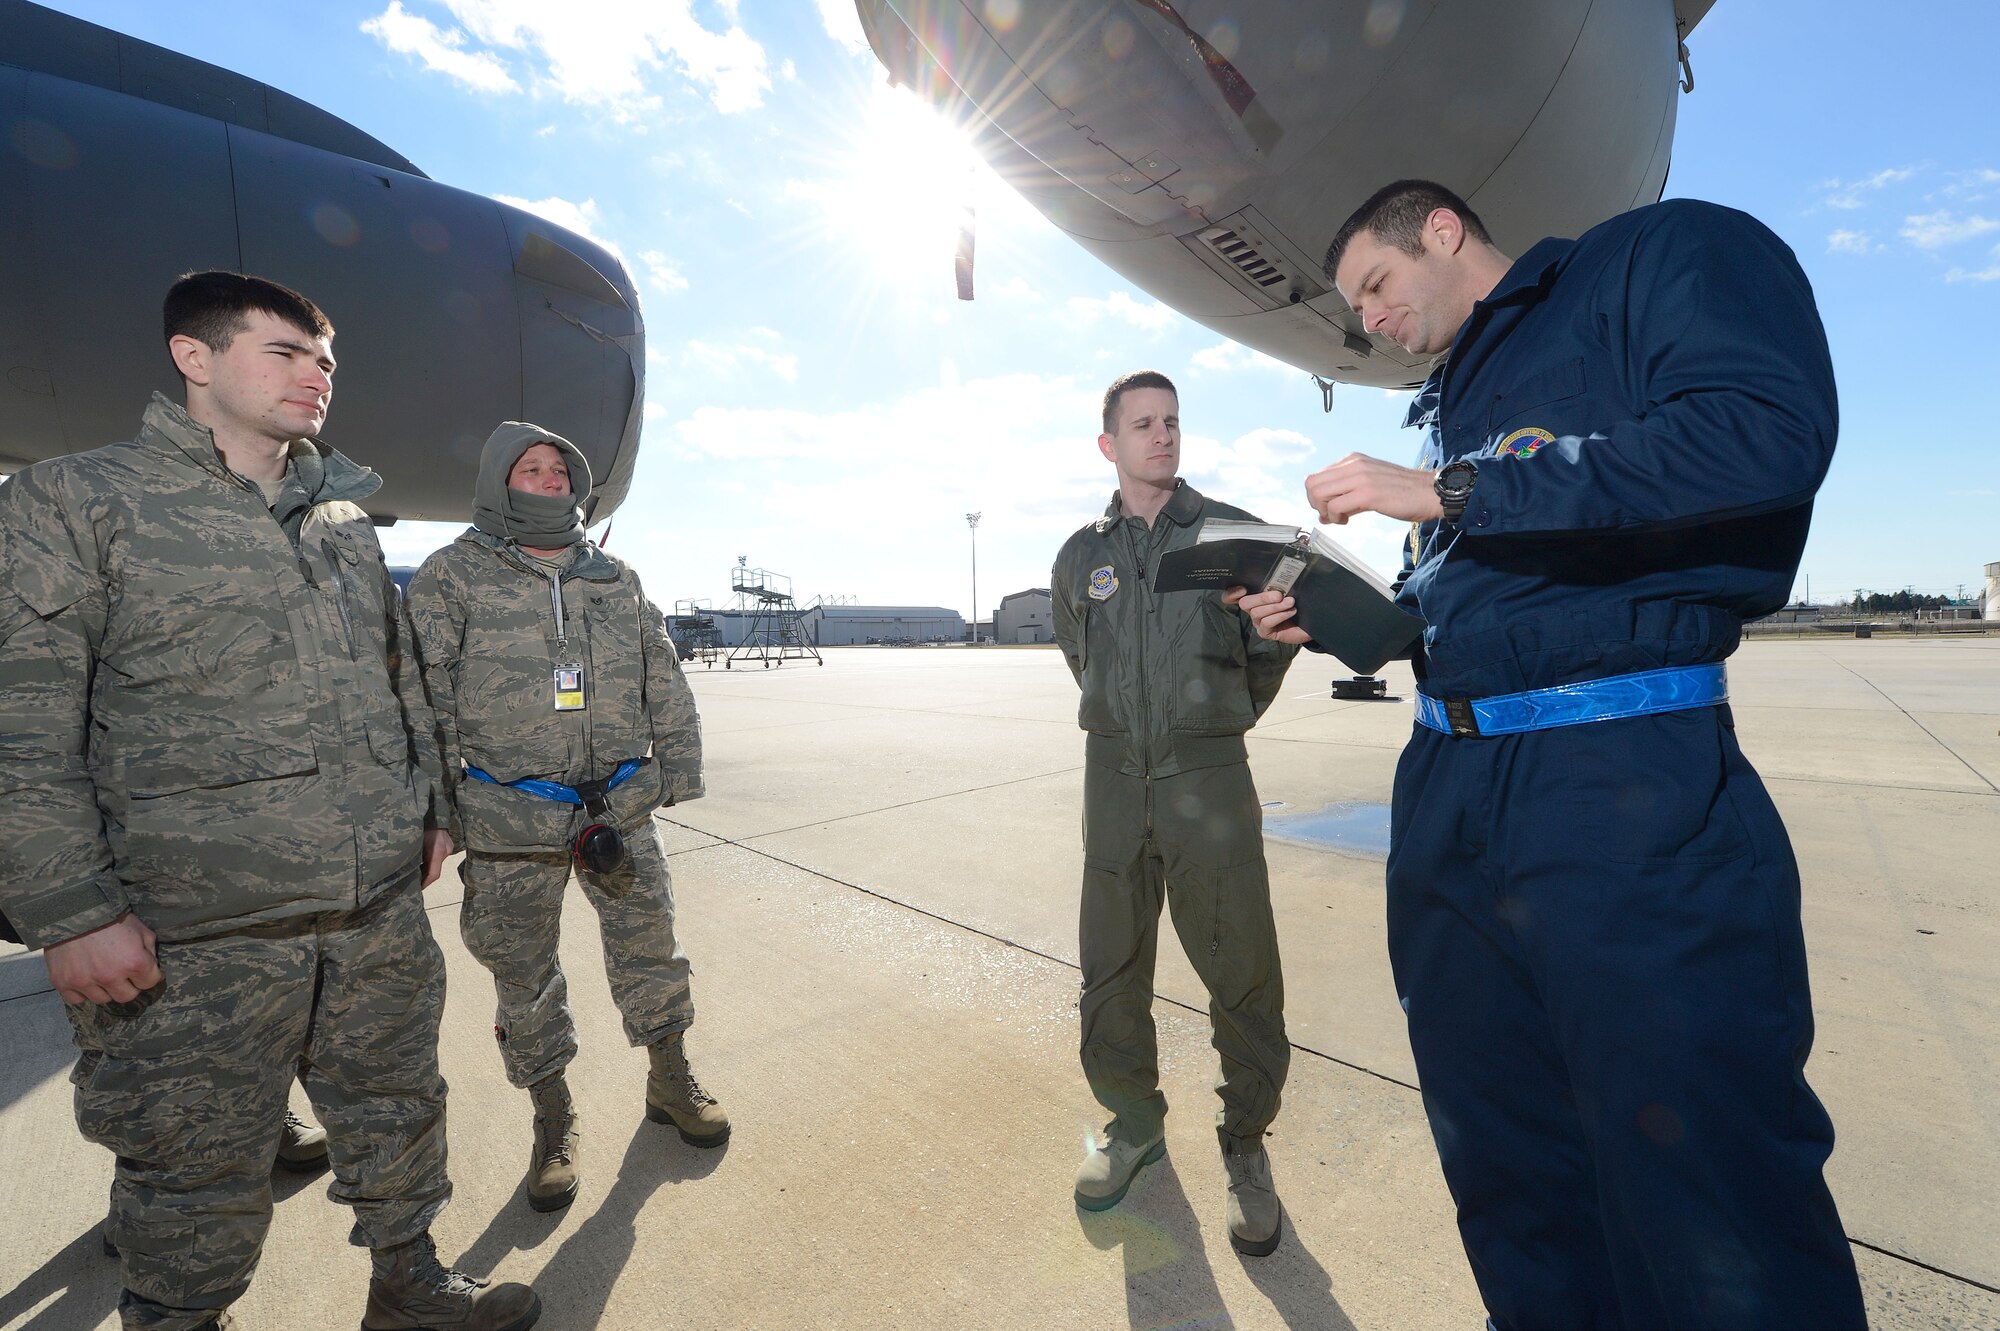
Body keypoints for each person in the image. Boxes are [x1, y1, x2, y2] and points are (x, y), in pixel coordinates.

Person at [1234, 180, 1866, 1328]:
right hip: (1449, 797)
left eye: (1374, 286)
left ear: (1440, 231)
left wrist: (1456, 485)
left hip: (1617, 785)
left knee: (1702, 1171)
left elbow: (1761, 431)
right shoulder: (1450, 399)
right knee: (1509, 1158)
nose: (1366, 320)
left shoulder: (1652, 258)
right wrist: (1335, 615)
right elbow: (1470, 600)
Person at [0, 271, 540, 1331]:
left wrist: (427, 805)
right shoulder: (77, 499)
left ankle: (408, 1281)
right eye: (285, 352)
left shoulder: (340, 513)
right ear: (194, 358)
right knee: (190, 1153)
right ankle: (180, 1314)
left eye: (325, 359)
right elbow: (22, 717)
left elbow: (398, 674)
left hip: (371, 905)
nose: (316, 375)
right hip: (189, 927)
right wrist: (68, 910)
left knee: (395, 1104)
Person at [404, 422, 718, 1215]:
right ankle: (554, 1117)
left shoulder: (615, 577)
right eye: (529, 468)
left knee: (652, 947)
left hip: (618, 805)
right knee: (524, 974)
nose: (548, 479)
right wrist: (438, 810)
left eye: (559, 469)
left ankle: (670, 1078)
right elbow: (424, 701)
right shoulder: (453, 578)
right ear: (496, 482)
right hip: (510, 821)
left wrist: (677, 769)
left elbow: (664, 674)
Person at [1050, 371, 1300, 1257]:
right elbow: (1084, 658)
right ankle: (1132, 1123)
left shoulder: (1232, 537)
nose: (1163, 436)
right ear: (1109, 444)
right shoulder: (1082, 555)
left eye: (1173, 422)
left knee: (1242, 970)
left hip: (1211, 782)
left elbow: (1264, 653)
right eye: (1144, 424)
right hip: (1114, 784)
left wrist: (1204, 722)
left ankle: (1245, 1143)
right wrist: (1134, 728)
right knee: (1110, 969)